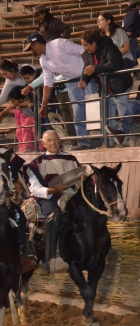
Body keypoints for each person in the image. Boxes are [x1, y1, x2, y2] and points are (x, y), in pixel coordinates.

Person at [24, 33, 91, 150]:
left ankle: (104, 140)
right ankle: (84, 143)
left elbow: (83, 51)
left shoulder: (59, 43)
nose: (31, 51)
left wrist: (87, 72)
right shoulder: (43, 60)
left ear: (36, 43)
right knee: (78, 115)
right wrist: (44, 105)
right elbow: (47, 83)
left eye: (31, 47)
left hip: (88, 77)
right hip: (73, 82)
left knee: (94, 108)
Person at [24, 130, 78, 274]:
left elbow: (80, 180)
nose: (53, 143)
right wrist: (51, 191)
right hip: (48, 197)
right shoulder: (37, 163)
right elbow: (35, 189)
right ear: (42, 144)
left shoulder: (71, 159)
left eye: (55, 139)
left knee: (90, 212)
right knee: (56, 215)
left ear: (60, 141)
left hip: (71, 196)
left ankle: (98, 252)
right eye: (49, 140)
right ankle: (51, 259)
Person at [78, 29, 133, 148]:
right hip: (104, 88)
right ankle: (109, 142)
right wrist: (84, 80)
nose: (85, 48)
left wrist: (95, 68)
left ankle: (126, 141)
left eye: (86, 45)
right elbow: (87, 67)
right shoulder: (88, 53)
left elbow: (114, 64)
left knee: (124, 113)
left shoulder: (109, 47)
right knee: (107, 116)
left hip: (119, 84)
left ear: (94, 43)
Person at [7, 86, 36, 152]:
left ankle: (37, 146)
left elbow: (30, 106)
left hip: (32, 120)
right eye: (10, 101)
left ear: (20, 99)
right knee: (22, 132)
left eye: (13, 101)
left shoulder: (28, 103)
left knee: (32, 131)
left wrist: (23, 105)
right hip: (22, 126)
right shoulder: (17, 107)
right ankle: (26, 147)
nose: (12, 103)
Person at [0, 59, 27, 125]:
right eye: (3, 75)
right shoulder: (9, 82)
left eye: (5, 74)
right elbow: (2, 99)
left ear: (12, 70)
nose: (5, 77)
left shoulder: (26, 68)